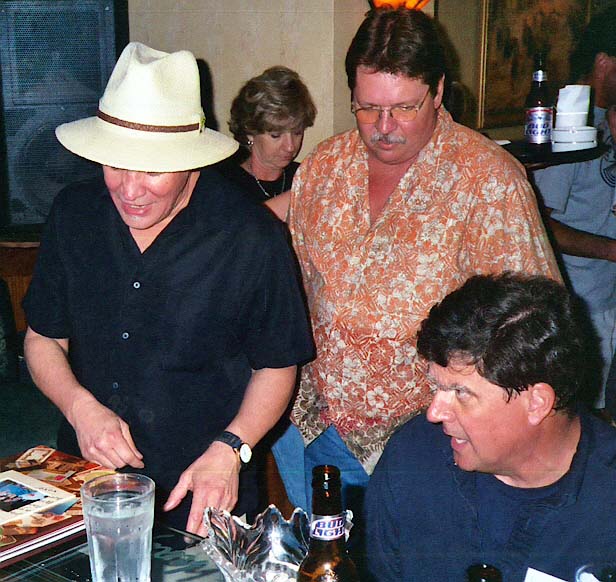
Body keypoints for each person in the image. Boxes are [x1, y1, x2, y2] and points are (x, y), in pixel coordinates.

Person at [272, 6, 560, 526]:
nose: (384, 128)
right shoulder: (322, 168)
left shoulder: (489, 182)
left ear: (439, 91)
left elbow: (536, 334)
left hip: (430, 445)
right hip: (312, 428)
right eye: (366, 108)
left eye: (404, 107)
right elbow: (290, 286)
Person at [22, 42, 314, 536]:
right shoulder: (74, 213)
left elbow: (279, 363)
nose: (130, 190)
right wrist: (79, 407)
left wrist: (232, 447)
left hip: (204, 482)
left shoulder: (249, 235)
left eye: (153, 170)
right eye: (115, 165)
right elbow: (42, 338)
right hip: (87, 482)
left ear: (191, 161)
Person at [365, 272, 616, 581]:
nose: (434, 413)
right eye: (437, 388)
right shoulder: (413, 459)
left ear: (536, 403)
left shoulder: (606, 503)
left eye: (460, 392)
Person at [533, 7, 616, 416]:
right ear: (605, 63)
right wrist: (610, 249)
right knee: (582, 418)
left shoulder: (610, 120)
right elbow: (541, 223)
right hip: (578, 304)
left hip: (608, 296)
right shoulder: (568, 125)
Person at [211, 66, 316, 220]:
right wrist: (295, 196)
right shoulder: (224, 182)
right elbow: (237, 234)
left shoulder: (303, 175)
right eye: (275, 135)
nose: (290, 146)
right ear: (250, 132)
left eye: (297, 133)